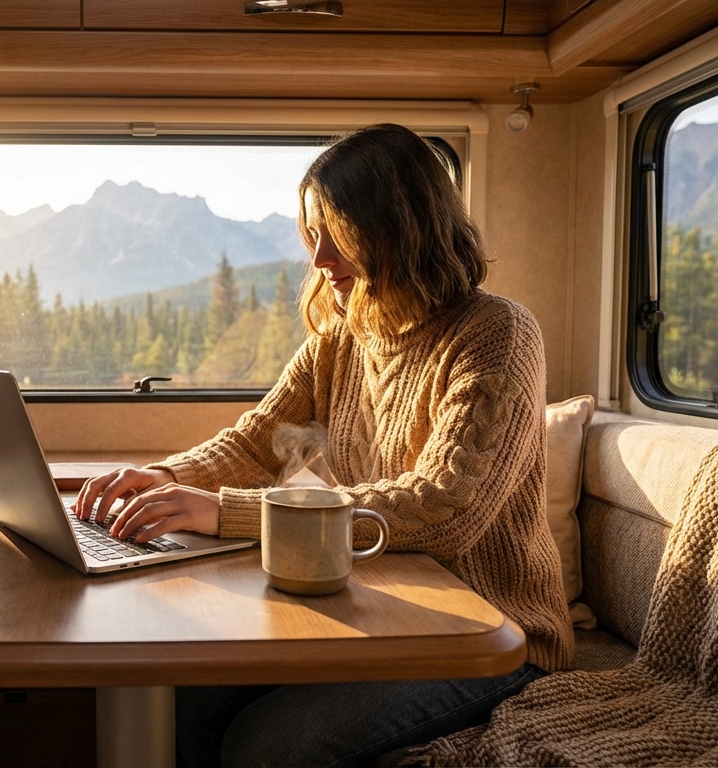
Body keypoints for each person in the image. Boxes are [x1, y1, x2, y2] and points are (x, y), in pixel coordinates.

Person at [74, 123, 573, 767]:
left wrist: (222, 511)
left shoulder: (496, 333)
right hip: (377, 610)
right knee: (188, 700)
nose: (319, 259)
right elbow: (255, 443)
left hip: (489, 634)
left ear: (400, 229)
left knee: (270, 747)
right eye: (313, 236)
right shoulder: (343, 337)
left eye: (338, 236)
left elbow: (448, 507)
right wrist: (166, 477)